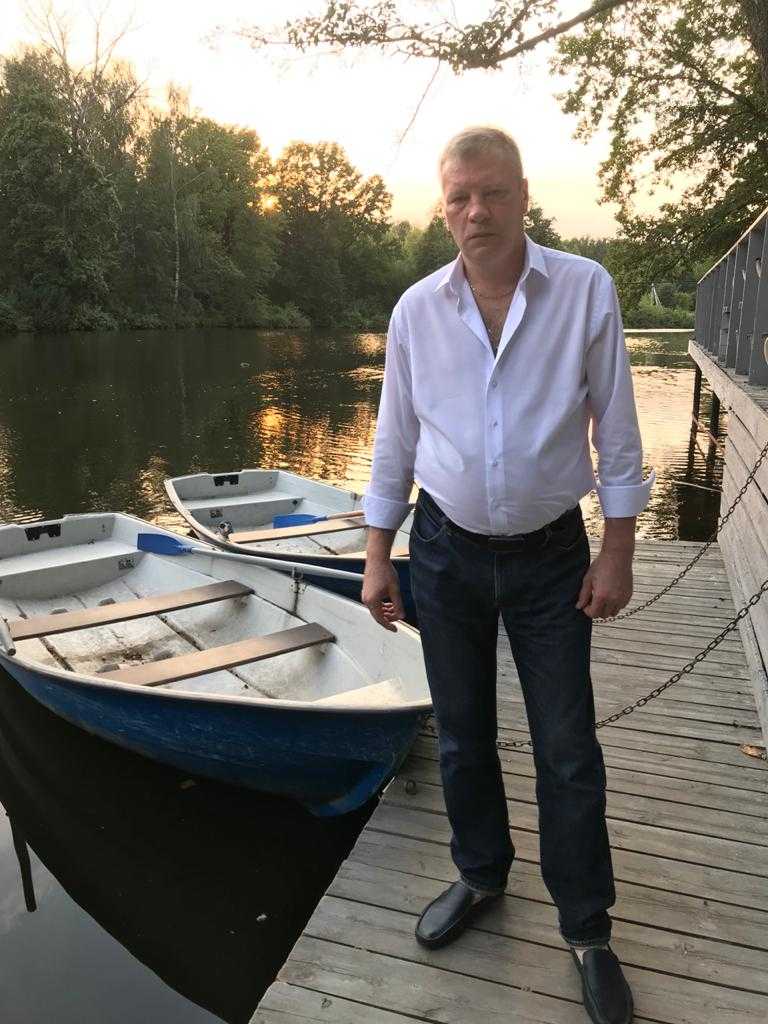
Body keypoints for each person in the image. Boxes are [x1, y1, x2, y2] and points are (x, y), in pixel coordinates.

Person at [361, 126, 654, 1024]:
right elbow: (394, 439)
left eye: (491, 192)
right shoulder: (417, 310)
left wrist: (618, 547)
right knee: (460, 736)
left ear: (524, 195)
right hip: (443, 550)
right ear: (444, 206)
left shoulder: (584, 288)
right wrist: (377, 554)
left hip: (550, 557)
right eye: (459, 196)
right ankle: (481, 874)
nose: (476, 211)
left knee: (567, 748)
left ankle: (587, 927)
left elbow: (617, 428)